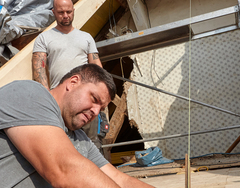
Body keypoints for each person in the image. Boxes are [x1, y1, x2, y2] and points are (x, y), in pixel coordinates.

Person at [0, 64, 154, 188]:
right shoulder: (30, 93)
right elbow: (65, 170)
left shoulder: (81, 140)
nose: (95, 112)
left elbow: (119, 179)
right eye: (94, 99)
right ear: (73, 82)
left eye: (100, 109)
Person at [32, 0, 104, 150]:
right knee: (62, 144)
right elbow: (38, 68)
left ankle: (97, 173)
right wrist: (47, 96)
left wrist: (101, 97)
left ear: (73, 11)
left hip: (87, 100)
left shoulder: (86, 37)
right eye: (61, 12)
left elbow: (97, 68)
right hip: (61, 102)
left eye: (69, 11)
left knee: (92, 142)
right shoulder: (44, 38)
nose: (65, 15)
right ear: (53, 12)